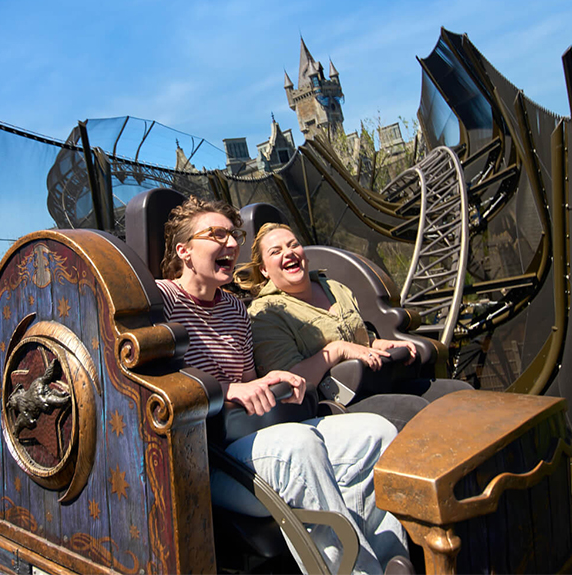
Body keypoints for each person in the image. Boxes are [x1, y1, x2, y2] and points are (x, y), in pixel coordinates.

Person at [155, 196, 408, 575]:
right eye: (217, 234)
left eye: (234, 235)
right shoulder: (160, 301)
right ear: (185, 251)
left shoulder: (234, 309)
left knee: (376, 431)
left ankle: (390, 558)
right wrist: (224, 390)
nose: (231, 243)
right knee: (298, 445)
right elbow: (149, 384)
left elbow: (248, 388)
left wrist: (267, 380)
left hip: (246, 437)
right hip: (202, 457)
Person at [238, 223, 472, 430]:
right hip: (327, 405)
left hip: (375, 382)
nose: (288, 253)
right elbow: (289, 383)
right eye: (276, 251)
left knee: (459, 394)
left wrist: (379, 343)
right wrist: (337, 350)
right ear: (265, 270)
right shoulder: (265, 314)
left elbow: (361, 340)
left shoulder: (334, 287)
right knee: (416, 411)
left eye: (293, 245)